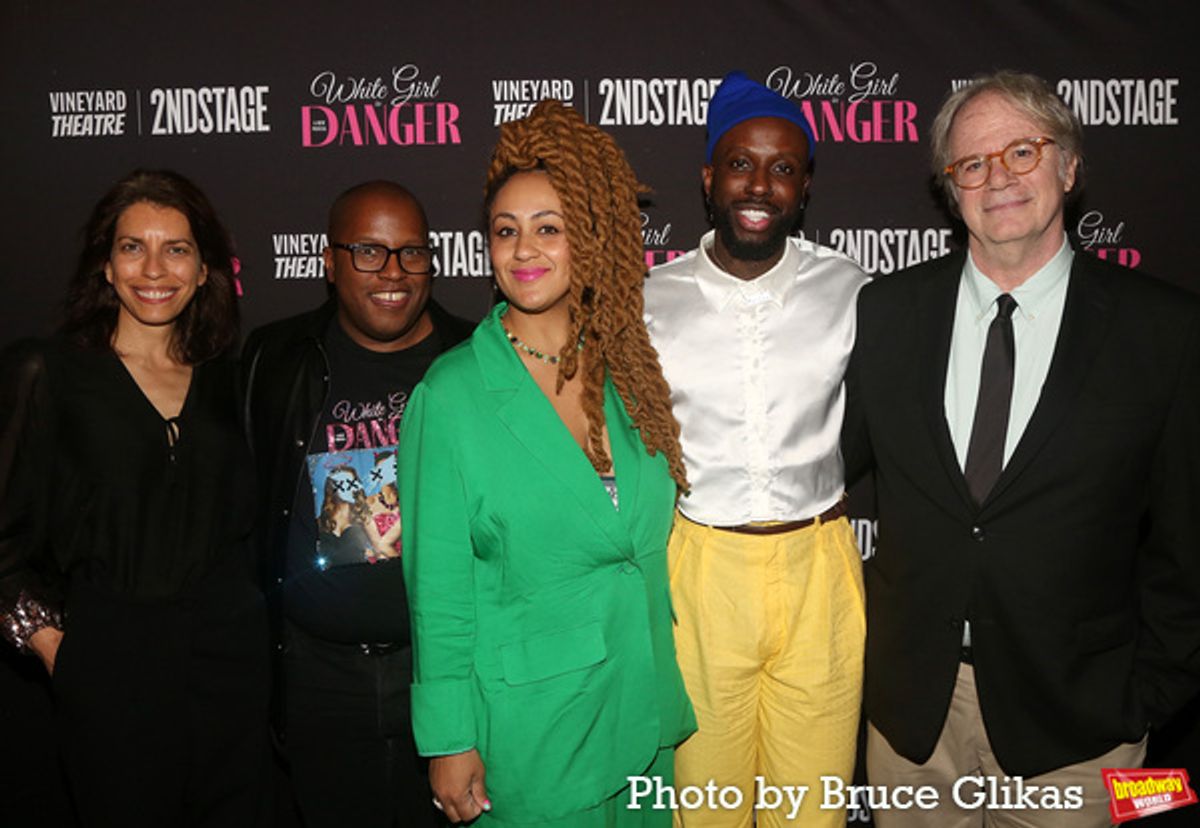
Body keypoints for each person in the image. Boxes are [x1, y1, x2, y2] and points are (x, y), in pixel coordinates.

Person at [843, 70, 1200, 827]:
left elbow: (1186, 542)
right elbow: (817, 469)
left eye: (1022, 152)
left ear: (1068, 166)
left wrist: (1148, 697)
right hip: (912, 723)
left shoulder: (1164, 332)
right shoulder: (887, 313)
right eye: (971, 163)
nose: (996, 177)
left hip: (1078, 727)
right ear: (950, 189)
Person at [399, 98, 695, 826]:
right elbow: (438, 590)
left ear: (591, 238)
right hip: (533, 733)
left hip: (645, 714)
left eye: (549, 228)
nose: (524, 250)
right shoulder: (453, 395)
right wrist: (448, 737)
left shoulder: (630, 371)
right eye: (506, 231)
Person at [0, 169, 271, 826]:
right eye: (132, 246)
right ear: (105, 264)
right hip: (109, 677)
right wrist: (58, 651)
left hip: (230, 679)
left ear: (207, 268)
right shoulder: (48, 372)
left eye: (176, 248)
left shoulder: (228, 382)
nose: (155, 267)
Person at [643, 71, 869, 827]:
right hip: (701, 569)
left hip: (820, 569)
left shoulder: (853, 289)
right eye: (741, 163)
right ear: (709, 176)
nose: (759, 185)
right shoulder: (651, 301)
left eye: (783, 169)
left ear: (804, 187)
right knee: (704, 811)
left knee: (813, 812)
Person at [241, 180, 473, 827]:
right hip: (318, 680)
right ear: (328, 261)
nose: (393, 272)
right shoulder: (274, 357)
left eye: (411, 252)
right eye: (369, 251)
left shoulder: (477, 359)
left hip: (447, 681)